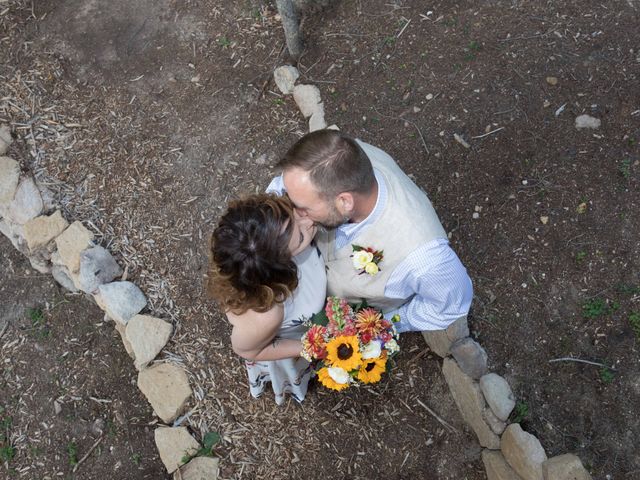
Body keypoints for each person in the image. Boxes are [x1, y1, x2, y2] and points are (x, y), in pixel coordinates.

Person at [267, 129, 473, 333]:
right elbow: (283, 186)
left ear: (345, 202)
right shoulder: (335, 155)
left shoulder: (424, 258)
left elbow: (450, 305)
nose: (297, 213)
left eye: (304, 208)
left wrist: (382, 326)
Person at [206, 193, 326, 404]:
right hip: (290, 336)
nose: (308, 221)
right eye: (299, 237)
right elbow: (247, 350)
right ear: (280, 272)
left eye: (291, 213)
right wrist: (308, 347)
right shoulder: (266, 314)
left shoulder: (257, 233)